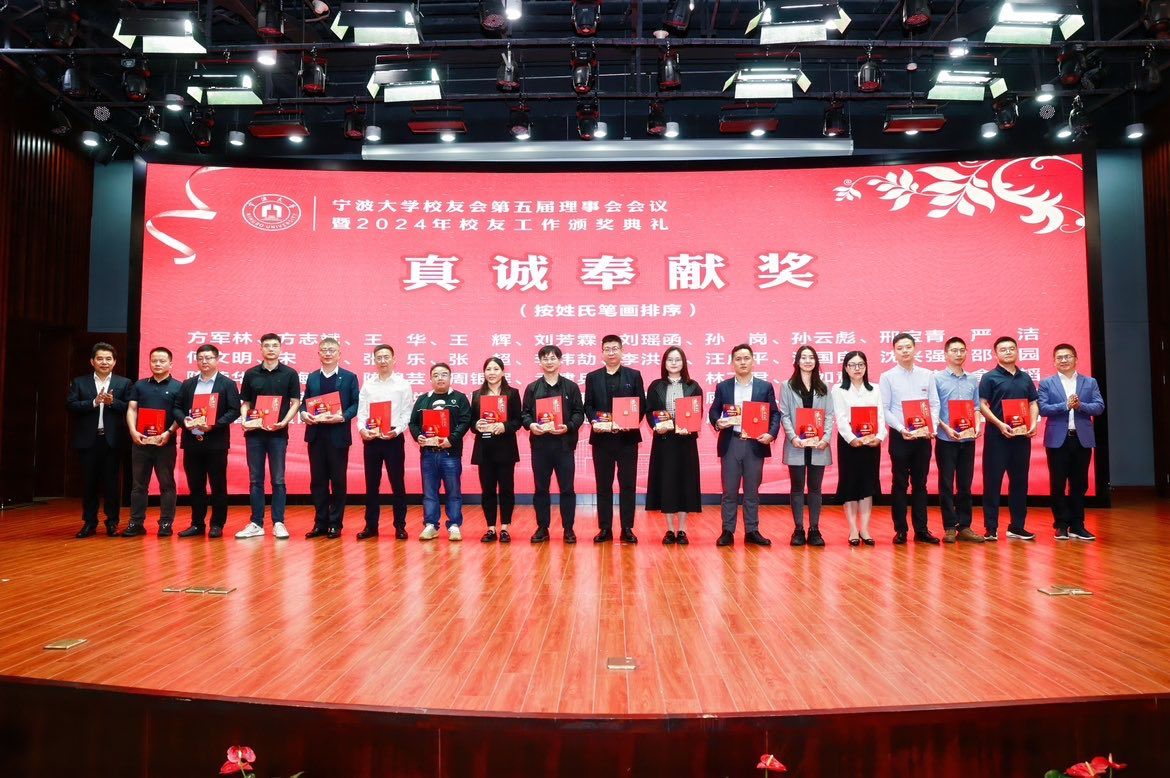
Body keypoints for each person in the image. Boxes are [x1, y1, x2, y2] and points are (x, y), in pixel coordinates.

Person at [708, 343, 780, 547]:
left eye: (746, 358)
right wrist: (718, 422)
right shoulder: (723, 387)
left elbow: (774, 413)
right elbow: (714, 411)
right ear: (732, 363)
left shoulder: (764, 387)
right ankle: (727, 531)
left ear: (753, 361)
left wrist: (771, 434)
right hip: (731, 442)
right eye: (738, 359)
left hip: (755, 444)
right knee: (729, 491)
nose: (742, 362)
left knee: (752, 491)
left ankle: (752, 530)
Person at [236, 333, 302, 539]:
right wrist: (245, 420)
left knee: (278, 479)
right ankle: (256, 523)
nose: (271, 349)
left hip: (278, 434)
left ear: (280, 349)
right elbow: (246, 403)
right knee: (255, 479)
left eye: (274, 345)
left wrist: (285, 421)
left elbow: (295, 402)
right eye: (267, 345)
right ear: (261, 349)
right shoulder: (251, 374)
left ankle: (278, 522)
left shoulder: (290, 373)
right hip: (254, 434)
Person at [879, 333, 941, 545]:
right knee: (899, 483)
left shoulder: (927, 375)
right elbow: (885, 408)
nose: (905, 351)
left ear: (915, 349)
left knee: (920, 484)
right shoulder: (887, 376)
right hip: (900, 436)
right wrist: (900, 428)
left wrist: (931, 426)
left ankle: (921, 530)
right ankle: (901, 530)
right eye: (900, 348)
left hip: (923, 437)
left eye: (908, 347)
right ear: (894, 352)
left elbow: (934, 403)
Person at [584, 335, 647, 544]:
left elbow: (641, 405)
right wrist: (596, 421)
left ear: (622, 350)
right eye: (607, 349)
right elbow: (588, 406)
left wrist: (630, 421)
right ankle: (605, 528)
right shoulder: (592, 377)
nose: (611, 353)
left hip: (627, 439)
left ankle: (627, 528)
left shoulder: (634, 375)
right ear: (602, 352)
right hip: (602, 440)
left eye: (615, 348)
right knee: (603, 485)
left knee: (628, 485)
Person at [1038, 343, 1105, 541]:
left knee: (1079, 484)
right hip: (1057, 441)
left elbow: (1099, 407)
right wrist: (1065, 405)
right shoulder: (1047, 383)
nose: (1064, 360)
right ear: (1054, 361)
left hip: (1081, 439)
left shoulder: (1089, 382)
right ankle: (1061, 524)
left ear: (1076, 359)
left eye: (1067, 356)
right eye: (1059, 357)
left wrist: (1080, 405)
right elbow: (1043, 408)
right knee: (1058, 484)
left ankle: (1077, 525)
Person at [520, 344, 585, 544]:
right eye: (545, 358)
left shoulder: (571, 387)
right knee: (541, 489)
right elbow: (525, 413)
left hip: (564, 446)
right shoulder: (532, 388)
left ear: (560, 361)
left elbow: (579, 413)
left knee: (567, 489)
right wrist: (531, 425)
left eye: (552, 358)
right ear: (540, 362)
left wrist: (568, 426)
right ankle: (542, 527)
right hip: (540, 446)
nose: (549, 362)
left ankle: (568, 529)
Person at [175, 344, 241, 538]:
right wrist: (184, 420)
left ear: (217, 359)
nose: (204, 361)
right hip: (192, 441)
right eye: (200, 358)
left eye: (209, 358)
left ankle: (217, 524)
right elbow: (177, 407)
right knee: (196, 485)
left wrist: (214, 424)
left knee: (218, 485)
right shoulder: (188, 384)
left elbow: (234, 410)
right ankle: (197, 524)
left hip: (216, 443)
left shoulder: (227, 384)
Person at [66, 342, 132, 538]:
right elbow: (71, 406)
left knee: (112, 484)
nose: (104, 362)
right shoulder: (80, 382)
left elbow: (130, 408)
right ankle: (89, 523)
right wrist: (94, 402)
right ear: (92, 361)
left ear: (114, 362)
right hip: (88, 440)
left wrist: (113, 402)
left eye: (108, 359)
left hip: (112, 441)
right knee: (89, 484)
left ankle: (112, 523)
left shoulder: (124, 383)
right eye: (100, 358)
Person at [978, 336, 1040, 541]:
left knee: (1020, 482)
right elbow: (982, 405)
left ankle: (1017, 526)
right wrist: (999, 424)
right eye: (1003, 349)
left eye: (1011, 348)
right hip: (997, 437)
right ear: (996, 354)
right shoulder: (989, 377)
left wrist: (1033, 423)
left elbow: (1033, 403)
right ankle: (991, 527)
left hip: (1021, 438)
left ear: (1017, 351)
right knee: (992, 482)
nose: (1008, 352)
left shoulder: (1025, 378)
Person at [301, 337, 360, 540]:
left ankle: (335, 523)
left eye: (331, 350)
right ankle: (320, 523)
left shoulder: (349, 377)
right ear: (318, 353)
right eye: (324, 350)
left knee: (338, 481)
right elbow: (305, 402)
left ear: (339, 354)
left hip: (338, 436)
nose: (327, 353)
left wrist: (342, 416)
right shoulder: (312, 377)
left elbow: (356, 404)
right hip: (316, 436)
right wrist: (304, 413)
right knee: (318, 481)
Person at [355, 344, 414, 540]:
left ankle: (400, 526)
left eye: (386, 357)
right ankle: (371, 526)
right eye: (378, 357)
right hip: (372, 439)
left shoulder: (403, 384)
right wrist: (362, 430)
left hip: (393, 439)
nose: (382, 361)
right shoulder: (368, 385)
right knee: (371, 485)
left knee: (398, 484)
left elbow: (407, 413)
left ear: (394, 359)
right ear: (374, 361)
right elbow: (362, 412)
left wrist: (396, 431)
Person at [644, 346, 702, 545]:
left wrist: (690, 427)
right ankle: (669, 529)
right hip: (664, 442)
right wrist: (655, 426)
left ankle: (682, 530)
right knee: (667, 483)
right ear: (664, 363)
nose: (674, 363)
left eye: (677, 359)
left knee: (685, 483)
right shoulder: (656, 386)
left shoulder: (693, 386)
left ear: (683, 362)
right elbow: (649, 412)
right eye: (670, 359)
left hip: (686, 442)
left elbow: (698, 413)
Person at [778, 345, 835, 547]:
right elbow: (784, 414)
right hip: (797, 445)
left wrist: (825, 438)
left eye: (811, 357)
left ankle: (815, 529)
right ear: (797, 361)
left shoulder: (824, 386)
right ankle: (799, 529)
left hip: (819, 445)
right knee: (796, 488)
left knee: (815, 489)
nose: (808, 361)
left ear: (816, 361)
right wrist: (793, 437)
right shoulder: (787, 386)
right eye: (803, 357)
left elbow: (829, 415)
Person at [123, 347, 182, 537]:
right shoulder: (139, 385)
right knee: (139, 485)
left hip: (165, 444)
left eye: (162, 361)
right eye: (154, 360)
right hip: (141, 442)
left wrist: (168, 433)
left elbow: (179, 414)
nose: (157, 364)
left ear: (170, 364)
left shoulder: (178, 387)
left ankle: (165, 523)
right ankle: (136, 522)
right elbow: (132, 409)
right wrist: (133, 431)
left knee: (167, 485)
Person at [409, 363, 472, 541]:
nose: (440, 378)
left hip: (450, 454)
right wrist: (419, 436)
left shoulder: (459, 398)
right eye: (436, 375)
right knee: (429, 492)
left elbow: (465, 421)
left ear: (450, 378)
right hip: (428, 454)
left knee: (453, 491)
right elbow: (413, 423)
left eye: (444, 374)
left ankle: (454, 525)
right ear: (430, 379)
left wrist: (451, 440)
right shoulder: (423, 399)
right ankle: (431, 525)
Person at [932, 337, 985, 543]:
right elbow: (934, 409)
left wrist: (978, 425)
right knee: (946, 484)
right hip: (946, 439)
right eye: (954, 350)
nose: (958, 354)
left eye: (962, 350)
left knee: (965, 484)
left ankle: (964, 526)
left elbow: (976, 407)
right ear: (946, 354)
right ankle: (949, 527)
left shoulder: (972, 379)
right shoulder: (937, 378)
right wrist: (945, 428)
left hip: (967, 439)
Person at [831, 351, 886, 546]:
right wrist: (852, 438)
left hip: (871, 444)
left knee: (867, 486)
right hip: (849, 444)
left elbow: (881, 416)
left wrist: (879, 437)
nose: (857, 368)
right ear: (846, 368)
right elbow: (840, 417)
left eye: (861, 364)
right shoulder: (838, 389)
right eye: (853, 365)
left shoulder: (875, 389)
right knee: (850, 485)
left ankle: (865, 529)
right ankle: (853, 528)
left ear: (866, 367)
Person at [470, 357, 522, 543]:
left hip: (505, 448)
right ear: (484, 372)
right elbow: (471, 423)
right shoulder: (477, 395)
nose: (491, 372)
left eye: (495, 369)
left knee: (506, 489)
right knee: (488, 490)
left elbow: (518, 421)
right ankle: (491, 528)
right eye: (488, 369)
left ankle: (505, 528)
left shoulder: (512, 393)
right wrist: (476, 425)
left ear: (503, 372)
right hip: (484, 449)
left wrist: (504, 426)